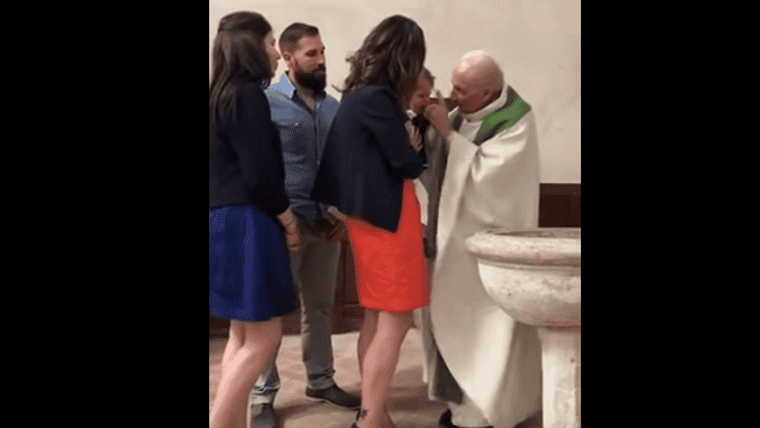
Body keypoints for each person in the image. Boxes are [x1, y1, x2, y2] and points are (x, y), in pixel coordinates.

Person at [310, 15, 430, 428]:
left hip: (368, 220)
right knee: (397, 319)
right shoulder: (378, 99)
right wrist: (415, 143)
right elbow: (407, 163)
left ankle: (375, 412)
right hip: (388, 221)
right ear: (406, 58)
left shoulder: (358, 94)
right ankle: (370, 418)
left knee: (378, 317)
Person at [417, 50, 543, 428]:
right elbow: (440, 174)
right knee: (452, 324)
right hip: (450, 245)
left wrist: (446, 135)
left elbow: (491, 185)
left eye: (461, 89)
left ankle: (487, 412)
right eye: (452, 85)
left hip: (488, 253)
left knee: (486, 330)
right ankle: (460, 405)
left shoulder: (516, 121)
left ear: (487, 92)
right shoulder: (459, 116)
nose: (452, 95)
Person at [248, 22, 360, 428]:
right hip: (282, 222)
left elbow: (342, 164)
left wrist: (339, 212)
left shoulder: (333, 107)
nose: (321, 59)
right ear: (288, 56)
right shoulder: (266, 102)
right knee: (271, 312)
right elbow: (259, 164)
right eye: (311, 53)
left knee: (320, 307)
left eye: (322, 51)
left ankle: (321, 380)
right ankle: (263, 395)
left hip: (326, 222)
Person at [208, 11, 302, 428]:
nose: (277, 54)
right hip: (248, 223)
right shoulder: (247, 96)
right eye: (270, 44)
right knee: (265, 338)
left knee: (241, 334)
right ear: (251, 47)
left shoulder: (217, 96)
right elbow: (262, 175)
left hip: (221, 220)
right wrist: (288, 221)